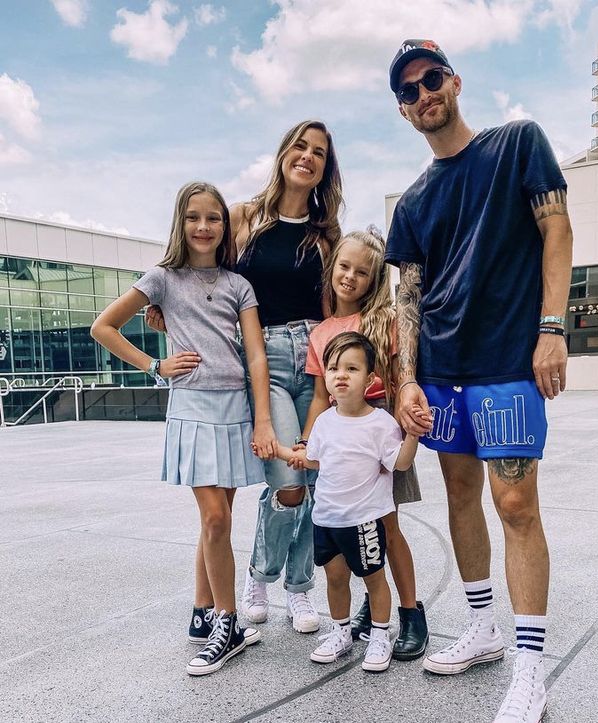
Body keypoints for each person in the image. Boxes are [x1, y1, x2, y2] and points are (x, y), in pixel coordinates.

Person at [385, 40, 573, 722]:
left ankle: (529, 667)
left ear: (454, 81)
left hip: (505, 363)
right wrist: (406, 380)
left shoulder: (516, 144)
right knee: (459, 494)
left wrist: (551, 329)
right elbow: (408, 296)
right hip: (440, 372)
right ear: (402, 111)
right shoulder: (410, 204)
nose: (422, 94)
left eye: (430, 79)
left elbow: (556, 231)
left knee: (516, 503)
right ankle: (482, 626)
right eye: (407, 91)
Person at [147, 120, 344, 634]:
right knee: (286, 483)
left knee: (312, 475)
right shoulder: (244, 217)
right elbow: (201, 271)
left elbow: (334, 306)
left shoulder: (326, 234)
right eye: (300, 146)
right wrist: (163, 307)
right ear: (283, 153)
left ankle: (300, 591)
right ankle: (258, 578)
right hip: (265, 356)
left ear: (326, 167)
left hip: (314, 353)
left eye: (319, 152)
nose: (307, 156)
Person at [91, 181, 275, 676]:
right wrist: (155, 365)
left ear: (225, 224)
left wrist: (262, 418)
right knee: (215, 519)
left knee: (218, 520)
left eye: (213, 218)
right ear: (181, 222)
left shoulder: (239, 285)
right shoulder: (162, 279)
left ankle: (202, 611)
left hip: (235, 409)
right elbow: (102, 326)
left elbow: (256, 355)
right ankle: (229, 623)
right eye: (194, 217)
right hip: (191, 409)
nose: (203, 227)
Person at [298, 227, 428, 659]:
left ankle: (410, 613)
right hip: (341, 445)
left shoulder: (386, 320)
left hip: (381, 432)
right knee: (348, 534)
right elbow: (320, 397)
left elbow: (399, 374)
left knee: (388, 530)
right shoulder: (321, 334)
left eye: (363, 272)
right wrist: (307, 443)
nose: (351, 276)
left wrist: (404, 424)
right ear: (332, 267)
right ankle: (368, 615)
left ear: (374, 281)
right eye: (345, 266)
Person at [275, 332, 419, 672]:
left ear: (370, 379)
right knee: (335, 579)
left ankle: (380, 635)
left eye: (352, 368)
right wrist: (280, 451)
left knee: (373, 578)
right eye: (334, 367)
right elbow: (312, 459)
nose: (341, 375)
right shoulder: (324, 422)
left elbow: (399, 463)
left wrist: (413, 434)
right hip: (326, 519)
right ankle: (340, 631)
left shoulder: (381, 423)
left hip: (364, 520)